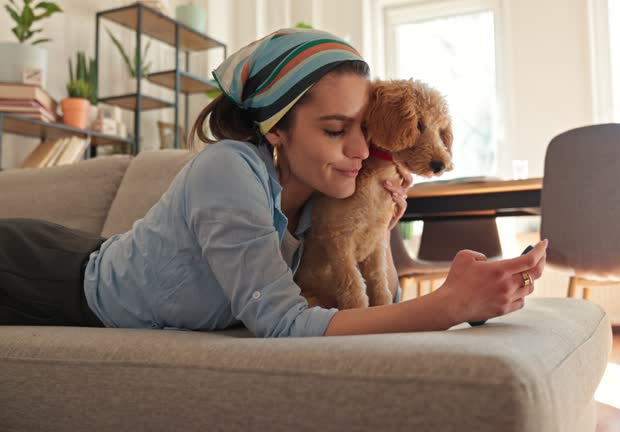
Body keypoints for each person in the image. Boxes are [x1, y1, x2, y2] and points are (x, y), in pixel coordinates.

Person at [0, 28, 548, 337]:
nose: (360, 150)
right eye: (336, 131)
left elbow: (365, 306)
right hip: (46, 275)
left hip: (95, 255)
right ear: (276, 130)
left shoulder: (332, 198)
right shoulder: (228, 171)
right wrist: (447, 306)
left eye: (363, 130)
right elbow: (282, 323)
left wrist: (383, 234)